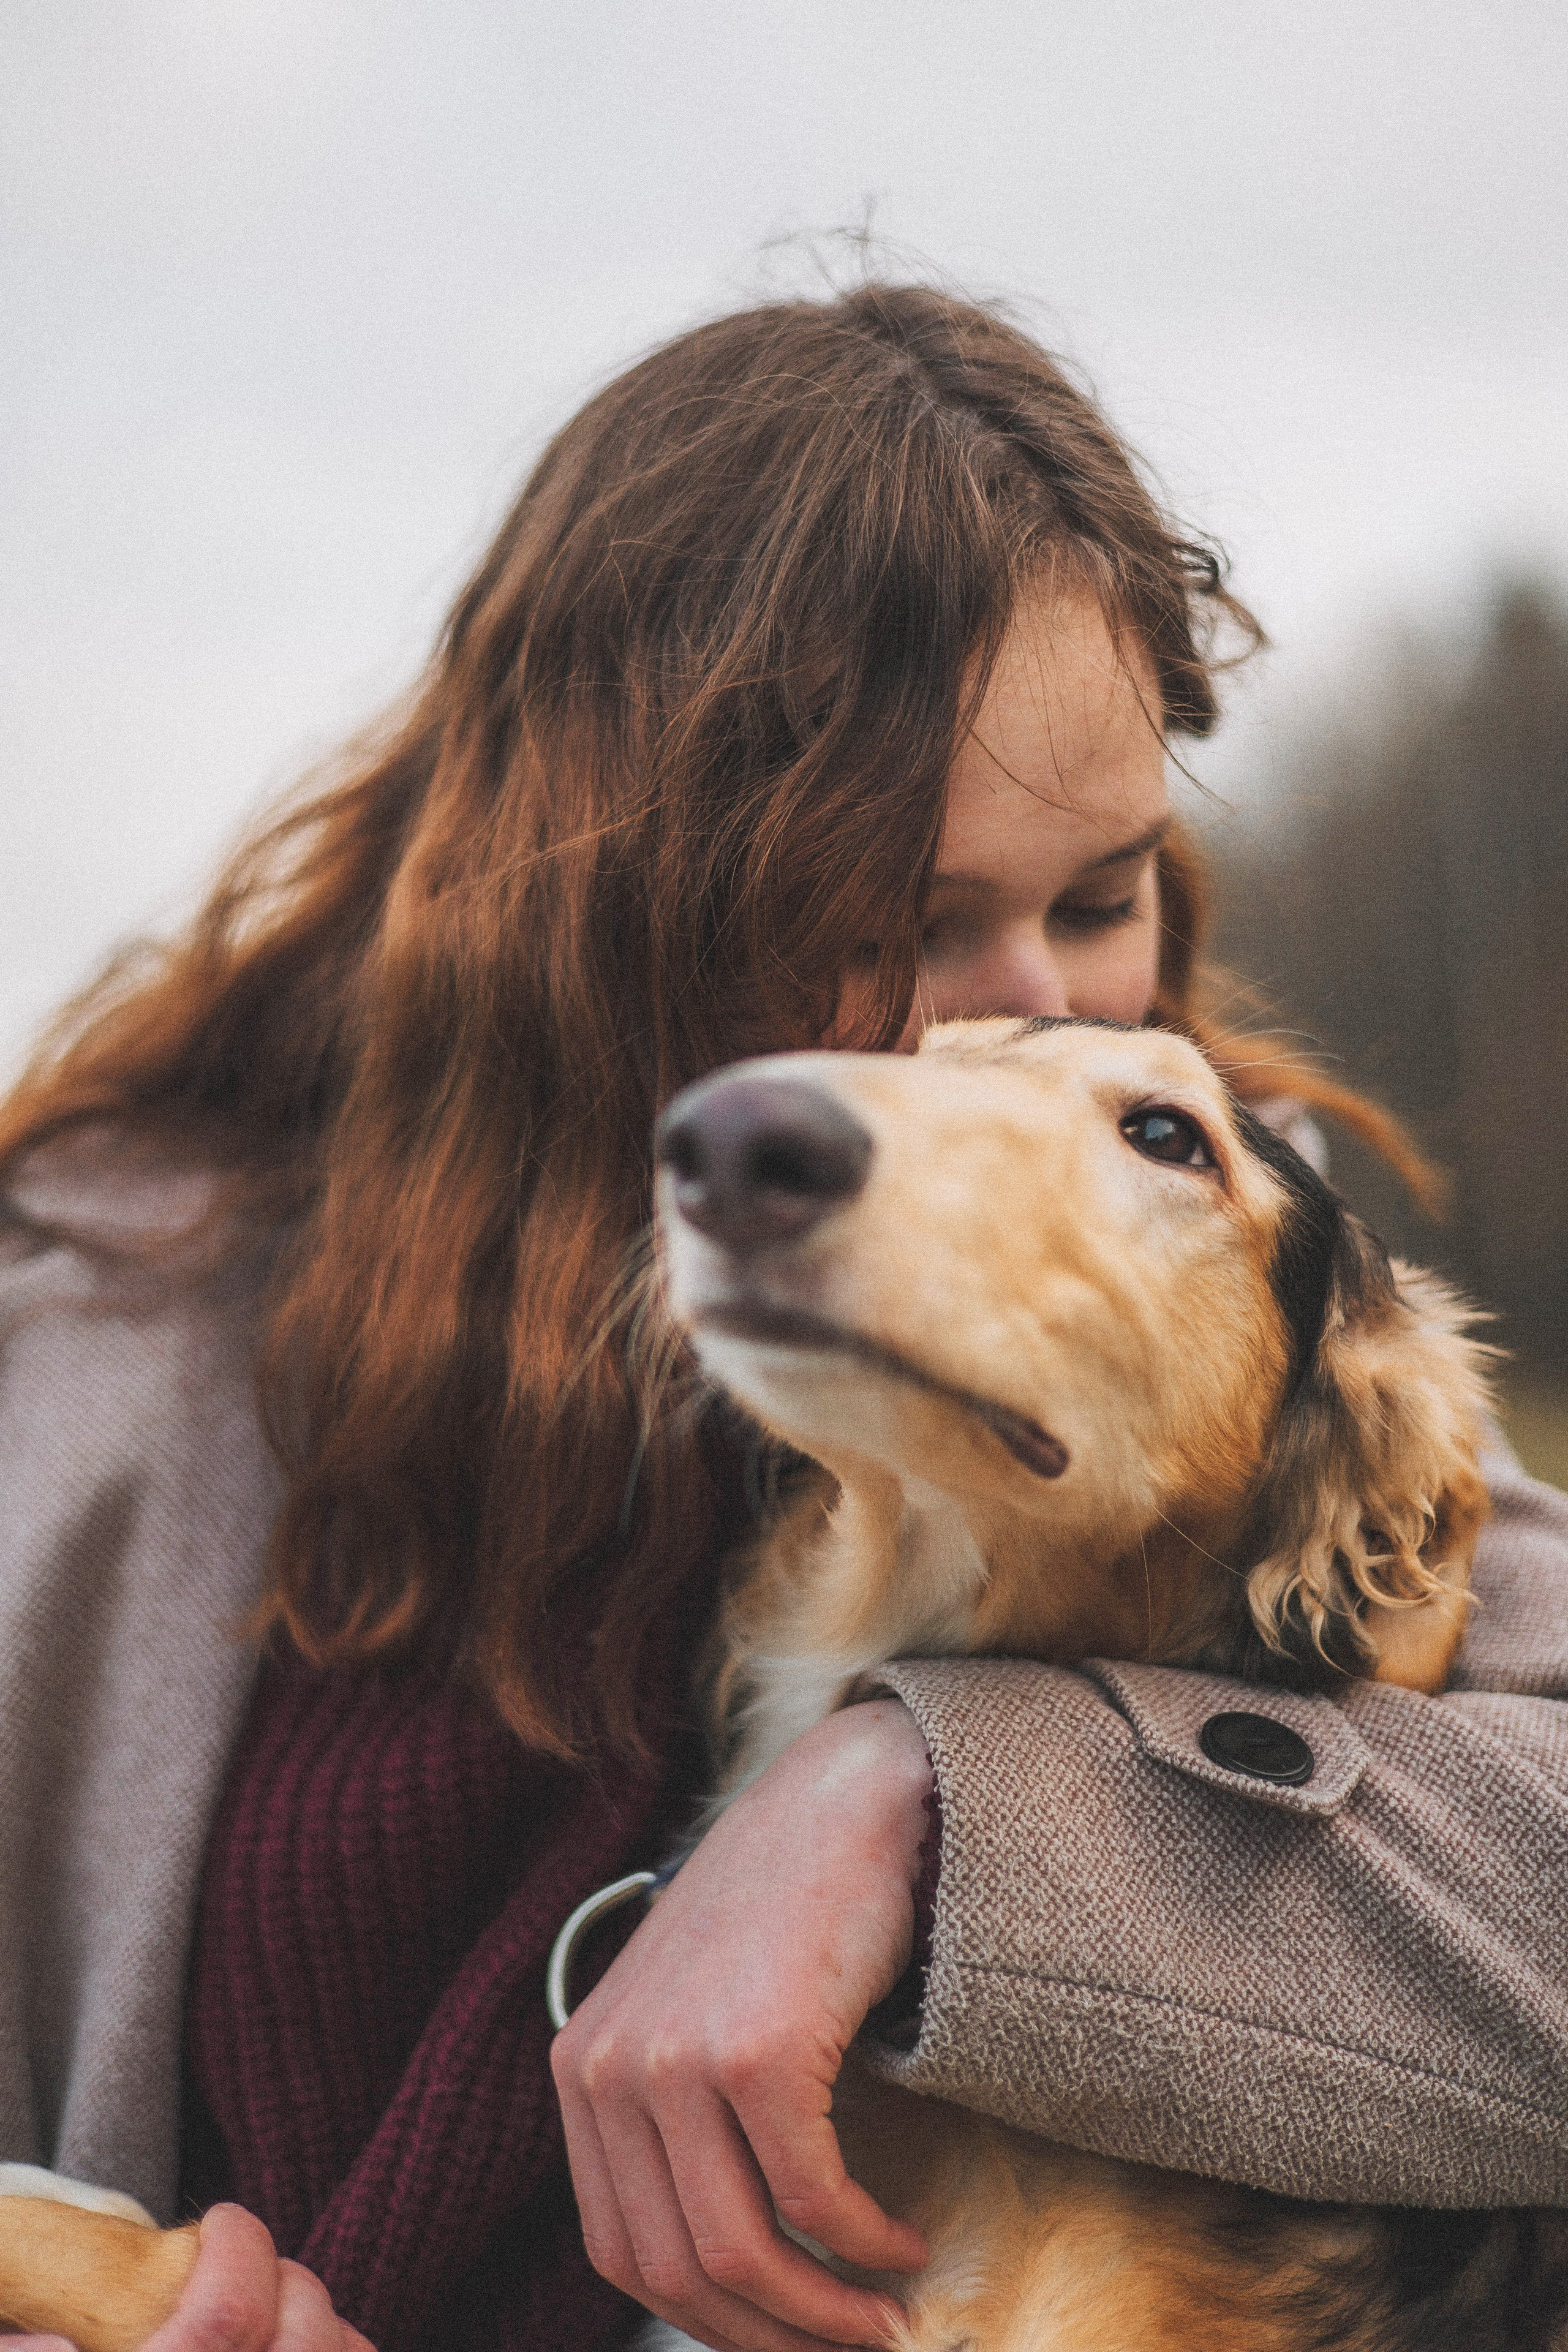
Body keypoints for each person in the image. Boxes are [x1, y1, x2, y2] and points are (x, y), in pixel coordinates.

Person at [2, 284, 1565, 2352]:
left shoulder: (1202, 1252)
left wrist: (927, 1804)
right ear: (618, 923)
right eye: (904, 930)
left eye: (1102, 895)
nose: (1039, 1017)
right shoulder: (98, 1318)